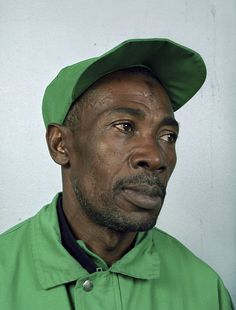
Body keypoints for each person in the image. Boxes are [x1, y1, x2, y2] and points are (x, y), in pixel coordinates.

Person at [0, 38, 234, 309]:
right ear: (60, 144)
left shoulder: (205, 291)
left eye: (168, 136)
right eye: (124, 126)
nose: (156, 157)